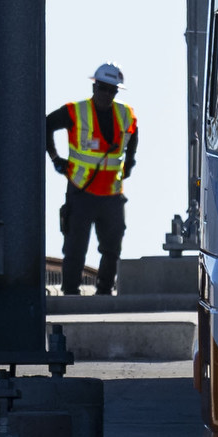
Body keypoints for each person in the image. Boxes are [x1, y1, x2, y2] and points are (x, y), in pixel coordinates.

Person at [49, 64, 140, 298]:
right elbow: (45, 125)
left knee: (112, 248)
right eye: (102, 88)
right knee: (75, 248)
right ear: (94, 86)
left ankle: (104, 292)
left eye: (112, 90)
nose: (106, 94)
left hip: (111, 194)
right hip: (81, 192)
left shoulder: (126, 114)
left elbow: (133, 134)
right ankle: (70, 294)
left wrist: (130, 162)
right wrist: (55, 158)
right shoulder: (75, 111)